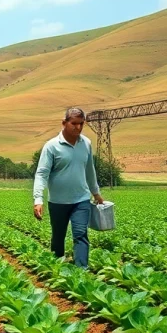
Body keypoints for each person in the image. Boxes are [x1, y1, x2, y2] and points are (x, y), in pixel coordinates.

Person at [32, 107, 105, 269]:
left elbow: (89, 170)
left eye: (81, 124)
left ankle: (81, 271)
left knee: (80, 235)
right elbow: (41, 174)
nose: (78, 128)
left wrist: (96, 193)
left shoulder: (86, 143)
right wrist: (38, 199)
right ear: (64, 123)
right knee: (58, 237)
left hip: (81, 200)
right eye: (74, 124)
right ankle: (57, 268)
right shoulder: (51, 146)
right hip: (58, 201)